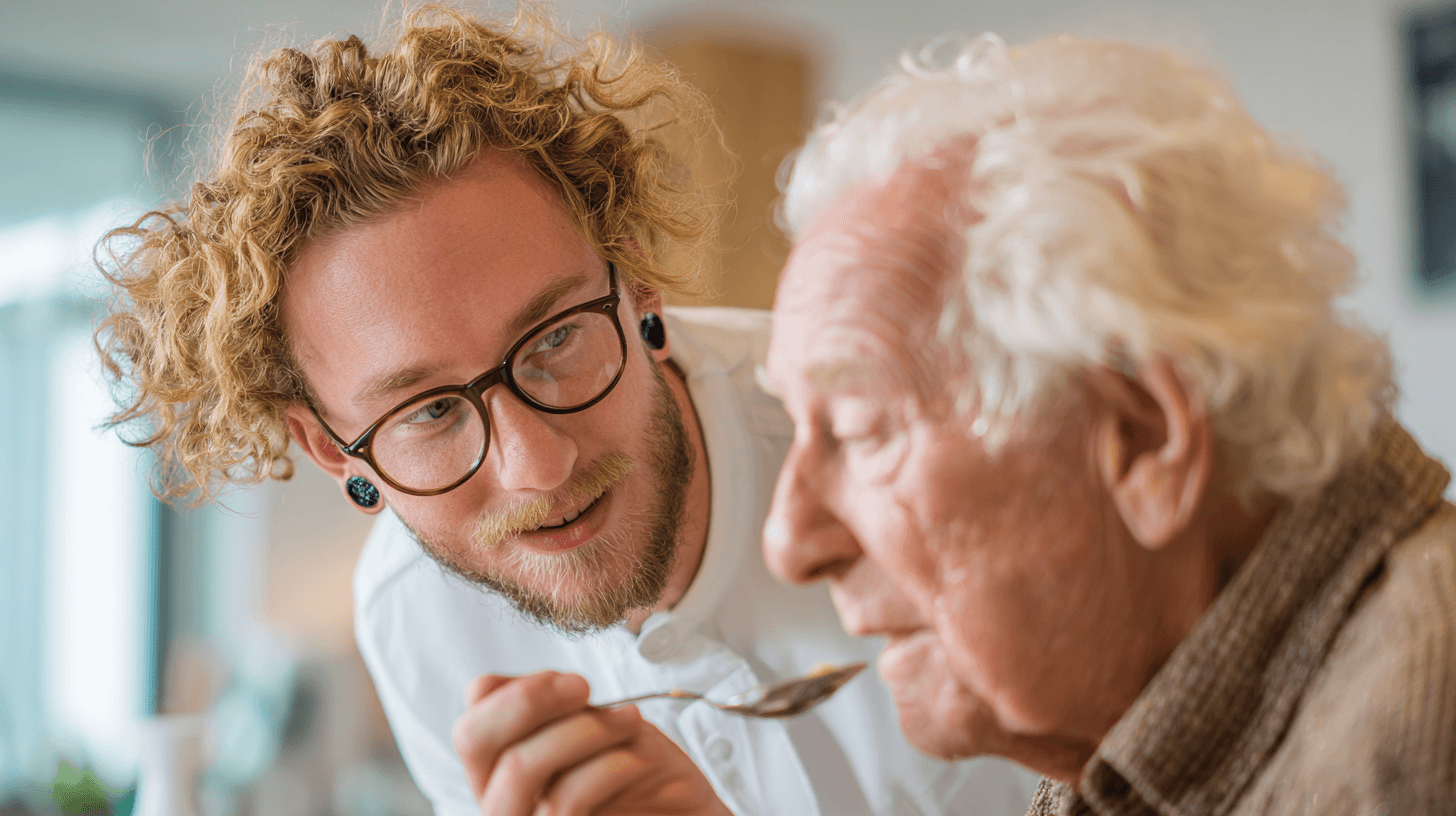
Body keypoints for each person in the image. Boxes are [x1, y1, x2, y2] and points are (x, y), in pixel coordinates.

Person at [95, 6, 1036, 816]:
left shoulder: (904, 443)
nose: (535, 466)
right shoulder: (416, 623)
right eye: (428, 412)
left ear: (638, 281)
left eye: (553, 341)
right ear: (334, 450)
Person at [761, 32, 1456, 816]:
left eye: (859, 431)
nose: (789, 541)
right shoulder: (1131, 732)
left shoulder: (1412, 746)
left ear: (1147, 436)